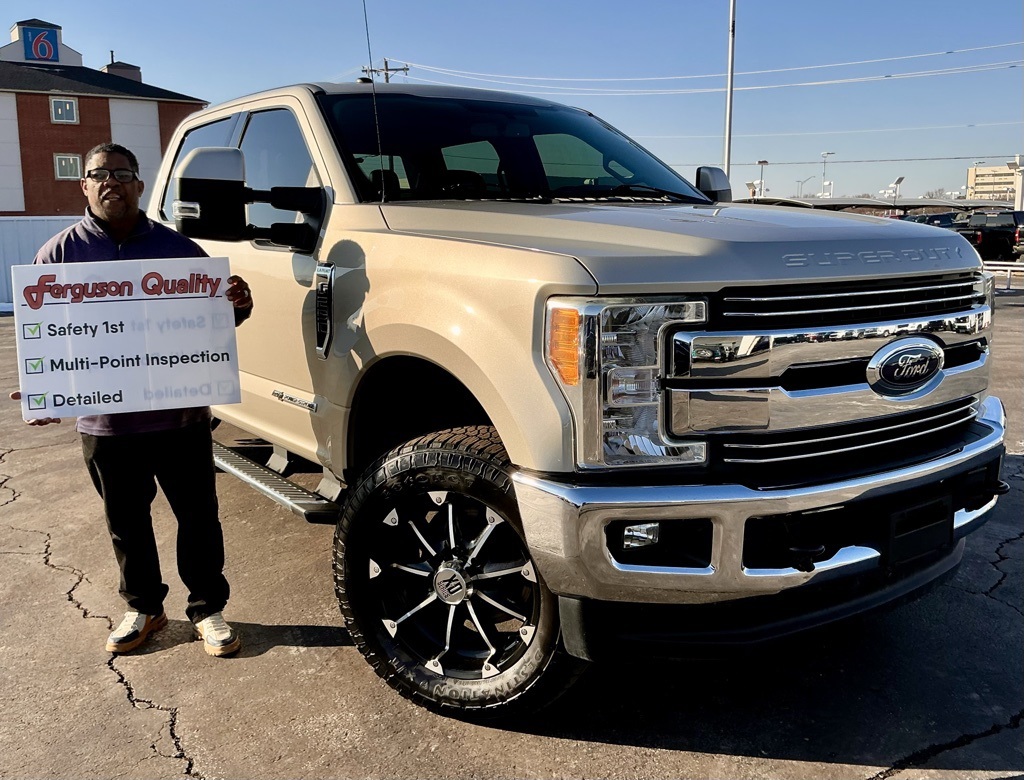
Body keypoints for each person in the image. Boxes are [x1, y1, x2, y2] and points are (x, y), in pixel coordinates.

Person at [11, 142, 253, 657]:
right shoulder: (57, 255)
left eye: (121, 174)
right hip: (107, 426)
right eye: (98, 175)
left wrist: (237, 304)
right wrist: (46, 390)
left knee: (199, 519)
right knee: (126, 525)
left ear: (139, 185)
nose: (110, 183)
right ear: (85, 186)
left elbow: (213, 325)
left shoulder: (180, 250)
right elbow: (49, 340)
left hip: (180, 416)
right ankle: (145, 607)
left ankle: (209, 609)